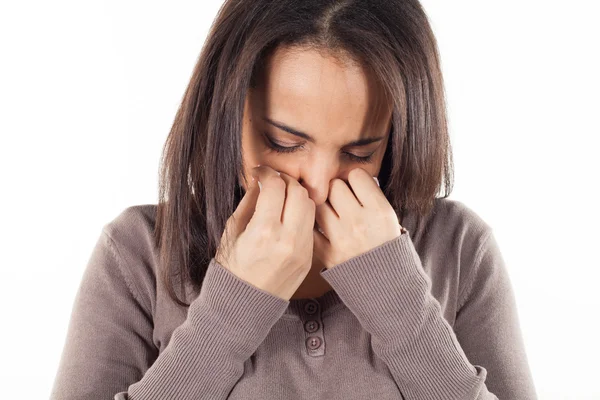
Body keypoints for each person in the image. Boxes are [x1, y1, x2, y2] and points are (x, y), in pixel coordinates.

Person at [50, 0, 538, 399]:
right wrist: (231, 311)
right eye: (284, 143)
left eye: (359, 153)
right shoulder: (138, 255)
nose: (320, 185)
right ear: (226, 112)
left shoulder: (459, 248)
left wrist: (399, 303)